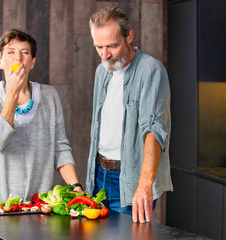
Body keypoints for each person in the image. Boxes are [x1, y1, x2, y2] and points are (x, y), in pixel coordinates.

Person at [85, 7, 173, 223]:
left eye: (112, 46)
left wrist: (144, 183)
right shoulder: (101, 71)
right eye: (99, 47)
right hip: (98, 176)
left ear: (129, 36)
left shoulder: (151, 70)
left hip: (130, 179)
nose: (104, 54)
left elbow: (154, 130)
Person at [0, 28, 83, 202]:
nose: (18, 58)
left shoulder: (49, 96)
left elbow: (60, 148)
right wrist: (12, 94)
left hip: (38, 204)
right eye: (10, 52)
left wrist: (76, 187)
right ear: (0, 62)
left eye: (24, 53)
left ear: (32, 62)